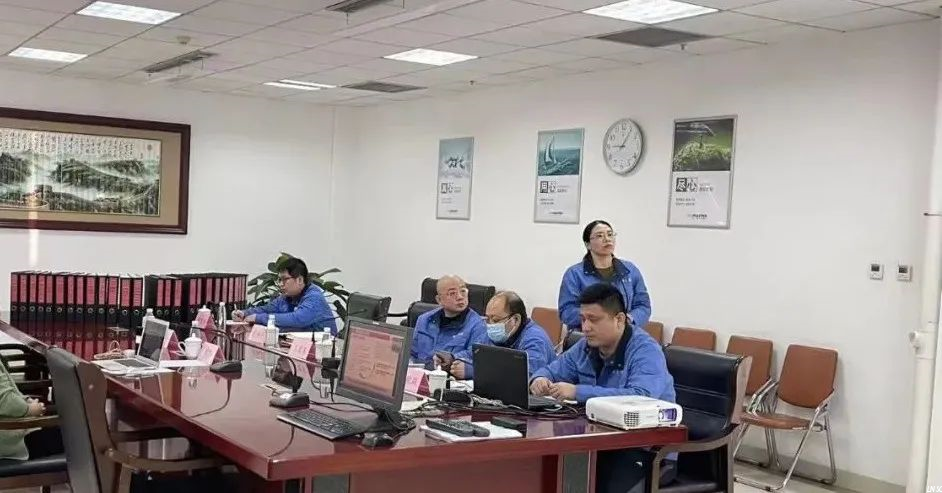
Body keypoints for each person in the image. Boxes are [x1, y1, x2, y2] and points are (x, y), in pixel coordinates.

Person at [531, 283, 674, 493]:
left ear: (619, 319)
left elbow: (641, 397)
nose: (585, 327)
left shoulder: (646, 351)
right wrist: (539, 379)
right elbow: (552, 370)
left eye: (594, 319)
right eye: (583, 319)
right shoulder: (586, 346)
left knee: (584, 479)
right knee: (550, 470)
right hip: (600, 440)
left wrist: (577, 391)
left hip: (647, 449)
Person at [558, 220, 651, 331]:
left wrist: (628, 319)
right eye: (600, 236)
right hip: (587, 334)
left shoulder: (630, 270)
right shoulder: (574, 274)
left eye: (610, 234)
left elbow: (643, 306)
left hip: (624, 332)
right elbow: (566, 312)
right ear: (588, 244)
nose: (607, 239)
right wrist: (598, 317)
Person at [452, 290, 556, 380]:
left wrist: (476, 372)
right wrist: (452, 359)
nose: (490, 325)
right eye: (487, 319)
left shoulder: (535, 339)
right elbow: (472, 353)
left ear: (515, 319)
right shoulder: (493, 334)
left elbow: (525, 377)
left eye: (496, 320)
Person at [233, 257, 337, 334]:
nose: (280, 284)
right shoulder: (286, 297)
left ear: (300, 280)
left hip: (323, 351)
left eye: (285, 279)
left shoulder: (314, 297)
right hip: (295, 346)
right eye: (279, 280)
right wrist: (244, 313)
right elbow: (267, 309)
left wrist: (258, 318)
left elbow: (298, 319)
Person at [410, 275, 487, 374]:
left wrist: (451, 359)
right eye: (452, 293)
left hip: (448, 378)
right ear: (439, 300)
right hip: (419, 375)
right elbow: (411, 354)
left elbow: (475, 360)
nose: (460, 297)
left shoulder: (478, 326)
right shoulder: (424, 320)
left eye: (463, 291)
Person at [0, 362, 61, 461]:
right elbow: (7, 401)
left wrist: (26, 400)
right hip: (11, 443)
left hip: (13, 431)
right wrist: (30, 409)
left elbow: (9, 391)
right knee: (77, 437)